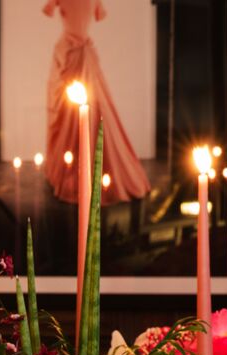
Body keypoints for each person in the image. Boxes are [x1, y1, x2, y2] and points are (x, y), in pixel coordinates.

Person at [41, 0, 151, 205]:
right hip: (79, 54)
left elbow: (47, 11)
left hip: (69, 53)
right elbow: (99, 15)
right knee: (88, 108)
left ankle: (74, 171)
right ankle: (83, 167)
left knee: (73, 111)